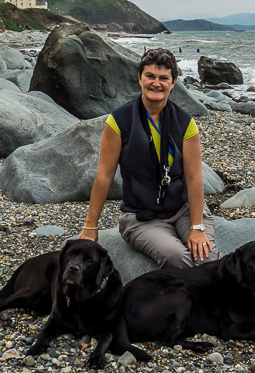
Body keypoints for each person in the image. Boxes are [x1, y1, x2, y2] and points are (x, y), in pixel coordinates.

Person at [78, 48, 220, 268]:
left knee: (207, 259)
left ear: (173, 83)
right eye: (150, 76)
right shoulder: (119, 121)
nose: (156, 83)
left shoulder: (186, 123)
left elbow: (194, 178)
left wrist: (197, 227)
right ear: (139, 78)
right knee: (177, 258)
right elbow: (104, 176)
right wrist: (90, 226)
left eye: (164, 78)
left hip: (183, 209)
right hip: (140, 217)